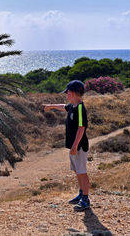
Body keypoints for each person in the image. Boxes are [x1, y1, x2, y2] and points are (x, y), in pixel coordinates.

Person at [43, 80, 90, 211]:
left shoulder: (80, 108)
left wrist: (75, 146)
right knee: (77, 171)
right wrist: (51, 106)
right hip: (73, 146)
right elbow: (63, 106)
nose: (67, 94)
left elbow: (82, 128)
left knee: (82, 172)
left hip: (79, 146)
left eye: (68, 92)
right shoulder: (72, 106)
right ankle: (81, 194)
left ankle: (85, 199)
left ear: (74, 93)